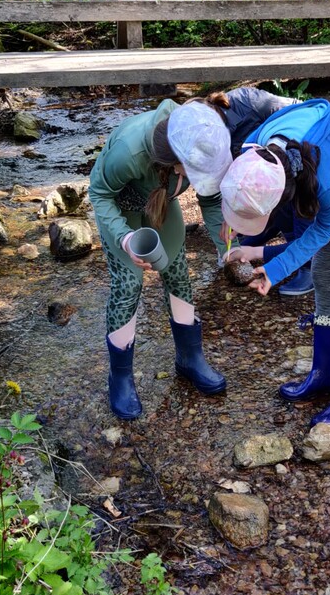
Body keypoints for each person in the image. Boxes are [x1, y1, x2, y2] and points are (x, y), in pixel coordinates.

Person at [222, 98, 330, 426]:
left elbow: (323, 229)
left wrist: (274, 270)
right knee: (322, 274)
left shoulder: (325, 176)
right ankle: (324, 375)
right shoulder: (259, 150)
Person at [88, 99, 228, 420]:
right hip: (119, 206)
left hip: (159, 201)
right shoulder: (129, 152)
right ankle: (120, 377)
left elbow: (211, 200)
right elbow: (99, 193)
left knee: (178, 273)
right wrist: (125, 238)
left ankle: (190, 358)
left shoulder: (200, 140)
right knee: (129, 285)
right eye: (190, 170)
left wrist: (227, 247)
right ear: (172, 160)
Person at [159, 88, 315, 295]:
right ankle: (271, 232)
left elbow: (302, 115)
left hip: (297, 168)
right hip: (261, 182)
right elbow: (228, 183)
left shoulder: (251, 103)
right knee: (246, 236)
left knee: (292, 208)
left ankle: (307, 265)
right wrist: (231, 216)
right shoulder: (207, 142)